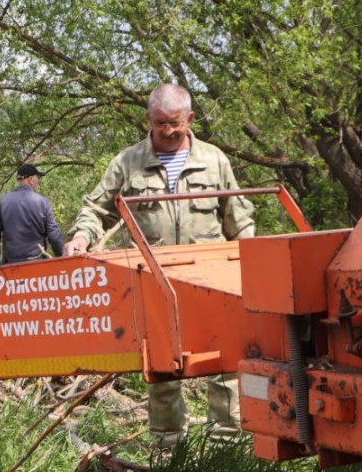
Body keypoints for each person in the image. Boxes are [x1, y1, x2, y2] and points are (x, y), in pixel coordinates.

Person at [63, 83, 255, 446]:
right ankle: (168, 449)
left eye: (174, 123)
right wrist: (80, 237)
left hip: (212, 279)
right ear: (148, 118)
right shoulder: (128, 162)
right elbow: (96, 208)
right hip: (154, 280)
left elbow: (240, 221)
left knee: (226, 364)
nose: (167, 131)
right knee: (162, 367)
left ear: (190, 119)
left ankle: (226, 446)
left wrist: (252, 263)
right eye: (159, 123)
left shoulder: (215, 161)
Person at [0, 164, 66, 270]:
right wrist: (64, 260)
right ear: (31, 179)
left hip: (10, 266)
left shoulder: (2, 202)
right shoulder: (43, 202)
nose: (38, 182)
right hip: (37, 266)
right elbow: (54, 236)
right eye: (38, 178)